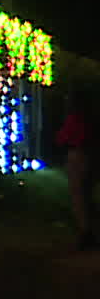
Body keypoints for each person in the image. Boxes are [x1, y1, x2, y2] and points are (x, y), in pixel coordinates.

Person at [60, 95, 93, 250]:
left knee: (78, 194)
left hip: (76, 154)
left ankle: (85, 232)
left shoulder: (74, 120)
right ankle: (86, 230)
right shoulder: (87, 120)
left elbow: (62, 138)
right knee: (84, 194)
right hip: (85, 155)